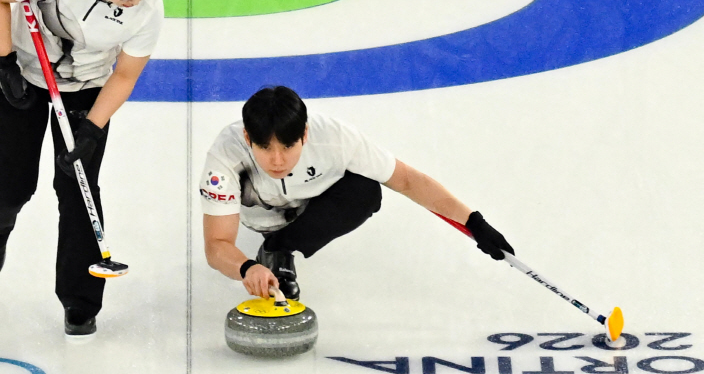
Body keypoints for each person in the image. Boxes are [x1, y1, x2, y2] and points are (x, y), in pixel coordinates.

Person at [0, 0, 166, 338]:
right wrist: (5, 59)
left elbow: (125, 74)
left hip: (88, 91)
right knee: (14, 182)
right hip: (22, 75)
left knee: (78, 189)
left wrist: (93, 127)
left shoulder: (147, 11)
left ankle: (81, 301)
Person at [200, 86, 513, 299]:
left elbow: (405, 179)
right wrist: (246, 268)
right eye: (265, 148)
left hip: (311, 206)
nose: (277, 160)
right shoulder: (227, 156)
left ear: (305, 134)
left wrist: (474, 223)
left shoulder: (335, 138)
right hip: (261, 215)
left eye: (288, 146)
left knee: (366, 190)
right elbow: (217, 245)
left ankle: (280, 248)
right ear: (246, 136)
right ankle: (269, 248)